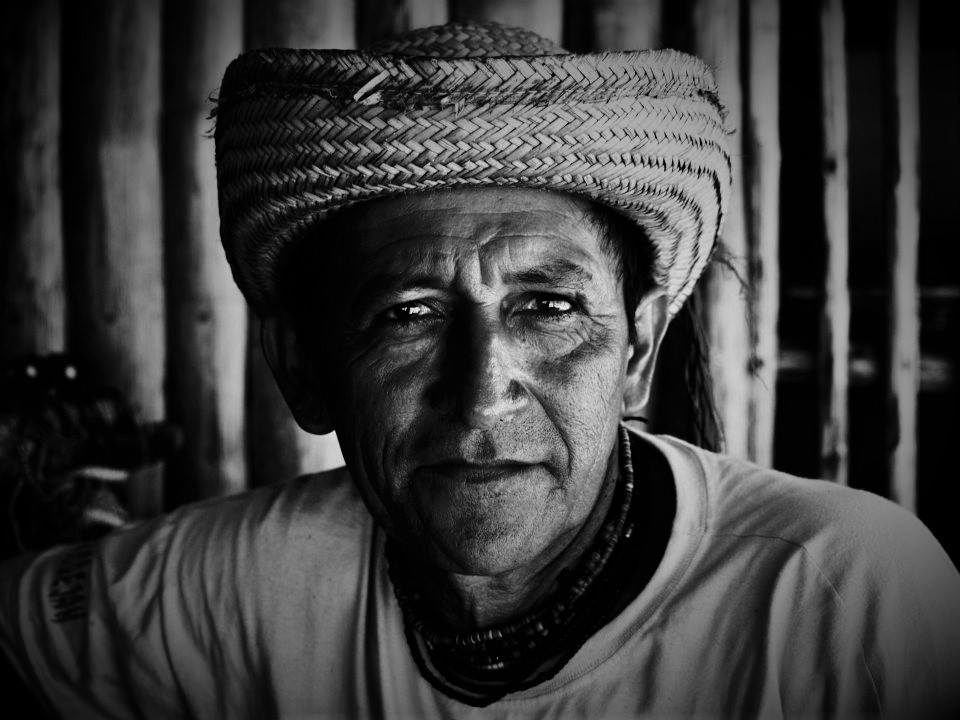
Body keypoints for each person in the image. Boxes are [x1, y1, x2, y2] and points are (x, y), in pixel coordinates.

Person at [2, 21, 959, 719]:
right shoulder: (235, 588)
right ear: (302, 366)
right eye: (409, 315)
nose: (482, 393)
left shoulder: (845, 599)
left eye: (549, 308)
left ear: (638, 350)